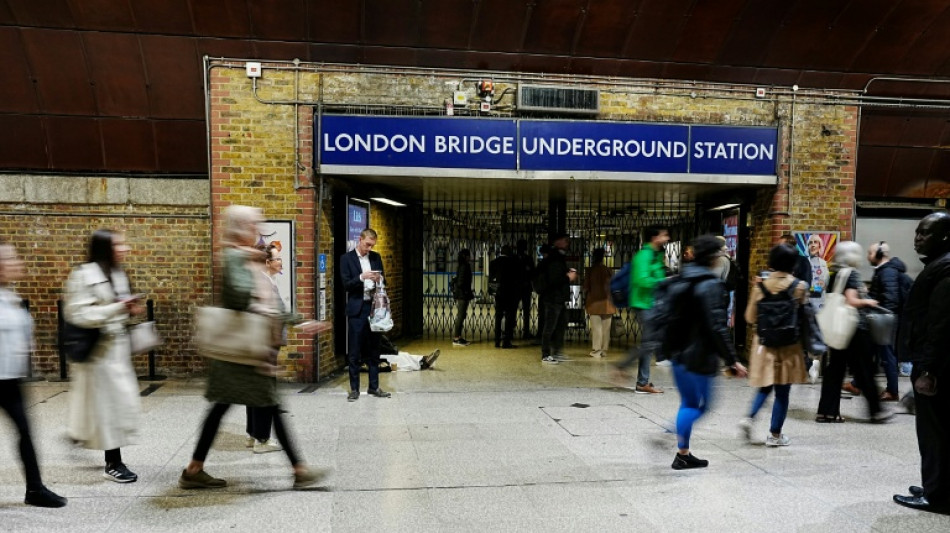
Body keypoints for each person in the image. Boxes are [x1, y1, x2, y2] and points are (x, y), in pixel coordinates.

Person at [179, 205, 330, 490]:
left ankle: (194, 469)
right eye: (252, 225)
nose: (257, 230)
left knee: (230, 408)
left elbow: (270, 303)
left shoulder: (246, 257)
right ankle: (299, 471)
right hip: (241, 352)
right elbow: (238, 296)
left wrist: (300, 321)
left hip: (247, 351)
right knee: (260, 406)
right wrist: (250, 262)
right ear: (238, 228)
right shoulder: (234, 257)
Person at [64, 229, 144, 483]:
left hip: (117, 350)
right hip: (98, 353)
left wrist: (130, 309)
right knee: (110, 406)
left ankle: (79, 433)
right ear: (104, 248)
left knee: (117, 404)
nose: (125, 249)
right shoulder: (83, 275)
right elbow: (79, 314)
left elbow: (119, 309)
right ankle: (113, 462)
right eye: (118, 244)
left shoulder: (118, 274)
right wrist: (117, 308)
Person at [668, 235, 747, 469]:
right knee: (701, 405)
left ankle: (683, 454)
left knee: (688, 403)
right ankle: (668, 433)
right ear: (714, 258)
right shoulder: (711, 285)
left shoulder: (681, 278)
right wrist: (733, 360)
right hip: (698, 357)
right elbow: (717, 327)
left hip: (677, 354)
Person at [0, 243, 67, 508]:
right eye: (9, 258)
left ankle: (35, 490)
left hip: (9, 379)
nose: (16, 262)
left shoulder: (10, 296)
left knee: (25, 431)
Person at [893, 212, 950, 512]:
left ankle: (937, 494)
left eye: (925, 233)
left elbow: (940, 326)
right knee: (936, 430)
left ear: (945, 236)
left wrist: (927, 369)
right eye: (917, 232)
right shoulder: (938, 265)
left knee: (934, 432)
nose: (917, 239)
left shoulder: (945, 269)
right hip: (936, 364)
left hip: (937, 367)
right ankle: (936, 485)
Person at [739, 244, 808, 447]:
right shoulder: (799, 286)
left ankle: (749, 417)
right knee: (783, 391)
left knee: (765, 386)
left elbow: (750, 317)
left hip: (765, 344)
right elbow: (803, 314)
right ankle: (775, 435)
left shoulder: (760, 287)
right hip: (789, 345)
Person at [814, 241, 891, 424]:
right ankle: (876, 411)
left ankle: (827, 412)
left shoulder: (833, 274)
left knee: (835, 370)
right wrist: (868, 301)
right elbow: (851, 301)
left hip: (838, 329)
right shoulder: (852, 273)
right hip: (854, 329)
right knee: (864, 370)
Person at [614, 225, 669, 393]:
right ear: (654, 238)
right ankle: (624, 367)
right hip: (643, 304)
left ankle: (641, 382)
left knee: (650, 343)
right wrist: (664, 282)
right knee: (650, 343)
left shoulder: (655, 255)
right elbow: (642, 280)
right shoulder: (643, 256)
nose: (667, 238)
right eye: (664, 235)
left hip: (653, 304)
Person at [339, 228, 392, 401]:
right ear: (360, 239)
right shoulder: (346, 259)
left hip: (374, 308)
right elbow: (346, 284)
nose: (369, 248)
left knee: (374, 350)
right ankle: (354, 389)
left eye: (372, 245)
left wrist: (379, 279)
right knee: (355, 351)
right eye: (367, 244)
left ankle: (374, 387)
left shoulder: (376, 257)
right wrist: (362, 277)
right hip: (357, 309)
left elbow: (385, 280)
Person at [244, 244, 286, 454]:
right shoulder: (264, 283)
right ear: (267, 262)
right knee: (264, 391)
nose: (281, 262)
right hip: (265, 344)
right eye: (277, 259)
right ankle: (262, 439)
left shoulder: (262, 281)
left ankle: (253, 434)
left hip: (258, 343)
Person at [866, 241, 909, 402]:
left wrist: (877, 308)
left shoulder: (887, 272)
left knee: (887, 354)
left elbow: (891, 298)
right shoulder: (883, 271)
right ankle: (858, 383)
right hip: (883, 317)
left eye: (870, 253)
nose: (868, 256)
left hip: (886, 318)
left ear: (879, 254)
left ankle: (892, 391)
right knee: (874, 351)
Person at [780, 233, 818, 382]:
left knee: (795, 339)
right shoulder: (781, 262)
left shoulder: (802, 262)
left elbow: (806, 284)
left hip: (797, 307)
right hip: (784, 307)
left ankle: (808, 364)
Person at [535, 233, 577, 364]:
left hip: (558, 298)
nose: (567, 243)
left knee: (560, 325)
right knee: (550, 326)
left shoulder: (557, 257)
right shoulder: (554, 258)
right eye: (565, 240)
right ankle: (546, 354)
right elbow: (554, 279)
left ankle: (557, 352)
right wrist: (568, 277)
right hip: (553, 298)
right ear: (557, 241)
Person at [582, 248, 616, 358]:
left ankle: (596, 350)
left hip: (594, 302)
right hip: (608, 303)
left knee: (597, 328)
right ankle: (604, 350)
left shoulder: (590, 270)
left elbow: (586, 287)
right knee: (606, 329)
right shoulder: (608, 270)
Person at [490, 245, 521, 349]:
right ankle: (506, 341)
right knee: (509, 317)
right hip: (510, 294)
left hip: (498, 294)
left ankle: (497, 341)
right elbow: (516, 279)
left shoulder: (493, 263)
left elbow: (492, 279)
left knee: (498, 316)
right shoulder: (513, 263)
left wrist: (493, 292)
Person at [452, 249, 474, 347]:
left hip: (462, 294)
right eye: (468, 255)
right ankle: (456, 338)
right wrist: (466, 292)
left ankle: (459, 337)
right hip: (462, 295)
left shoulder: (462, 266)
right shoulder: (464, 266)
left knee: (462, 315)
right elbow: (461, 282)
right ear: (465, 256)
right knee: (460, 316)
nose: (470, 257)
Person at [516, 239, 536, 340]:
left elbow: (532, 272)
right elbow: (532, 272)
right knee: (524, 310)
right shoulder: (528, 259)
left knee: (517, 310)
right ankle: (525, 331)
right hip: (522, 287)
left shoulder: (514, 258)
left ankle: (522, 331)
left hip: (520, 287)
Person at [806, 234, 830, 308]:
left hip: (821, 301)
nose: (813, 245)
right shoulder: (804, 262)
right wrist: (816, 289)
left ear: (819, 246)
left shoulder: (824, 263)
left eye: (815, 242)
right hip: (807, 300)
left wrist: (822, 286)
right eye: (810, 243)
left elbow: (826, 284)